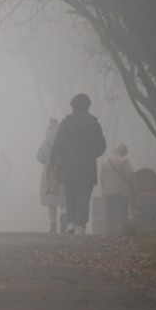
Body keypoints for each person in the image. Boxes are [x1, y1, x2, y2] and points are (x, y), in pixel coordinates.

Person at [49, 93, 107, 235]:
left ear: (73, 106)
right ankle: (81, 224)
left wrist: (53, 163)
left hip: (69, 165)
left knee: (70, 194)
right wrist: (92, 154)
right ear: (88, 106)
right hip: (87, 166)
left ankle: (71, 222)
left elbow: (58, 145)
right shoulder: (94, 124)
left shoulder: (66, 124)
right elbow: (102, 146)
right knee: (84, 195)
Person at [36, 119, 64, 233]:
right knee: (63, 197)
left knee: (50, 200)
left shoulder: (46, 141)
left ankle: (53, 225)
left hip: (49, 173)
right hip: (62, 171)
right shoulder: (64, 138)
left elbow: (40, 157)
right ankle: (64, 215)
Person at [99, 143, 134, 235]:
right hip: (122, 191)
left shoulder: (105, 161)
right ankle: (123, 229)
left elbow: (102, 178)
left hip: (109, 191)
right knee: (122, 211)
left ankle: (110, 229)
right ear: (123, 152)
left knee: (110, 211)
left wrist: (103, 190)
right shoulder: (124, 161)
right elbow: (128, 175)